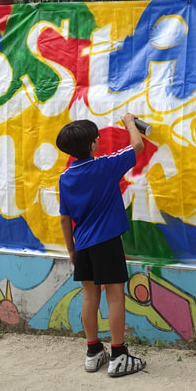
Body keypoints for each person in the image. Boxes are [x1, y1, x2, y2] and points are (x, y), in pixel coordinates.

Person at [56, 115, 147, 377]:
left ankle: (93, 352)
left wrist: (72, 250)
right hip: (107, 243)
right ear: (94, 145)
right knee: (115, 296)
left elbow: (64, 217)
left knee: (89, 296)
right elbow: (137, 147)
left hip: (82, 245)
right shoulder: (104, 166)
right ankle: (119, 354)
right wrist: (130, 122)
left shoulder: (65, 177)